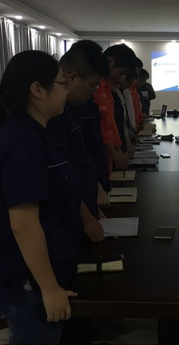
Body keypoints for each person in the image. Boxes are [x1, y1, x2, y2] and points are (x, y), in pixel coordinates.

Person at [0, 50, 81, 344]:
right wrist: (48, 288)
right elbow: (23, 225)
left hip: (43, 274)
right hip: (30, 285)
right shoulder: (23, 141)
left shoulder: (35, 131)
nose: (67, 91)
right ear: (37, 90)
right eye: (62, 84)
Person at [48, 40, 111, 243]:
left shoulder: (72, 109)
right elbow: (60, 176)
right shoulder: (54, 116)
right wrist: (85, 217)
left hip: (82, 208)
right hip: (68, 219)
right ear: (71, 78)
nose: (93, 92)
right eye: (92, 86)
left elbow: (83, 156)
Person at [93, 44, 137, 174]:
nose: (121, 77)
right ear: (110, 62)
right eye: (121, 72)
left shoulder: (108, 88)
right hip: (100, 157)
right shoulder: (96, 87)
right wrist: (114, 152)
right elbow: (101, 127)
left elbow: (111, 124)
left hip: (110, 158)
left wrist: (118, 150)